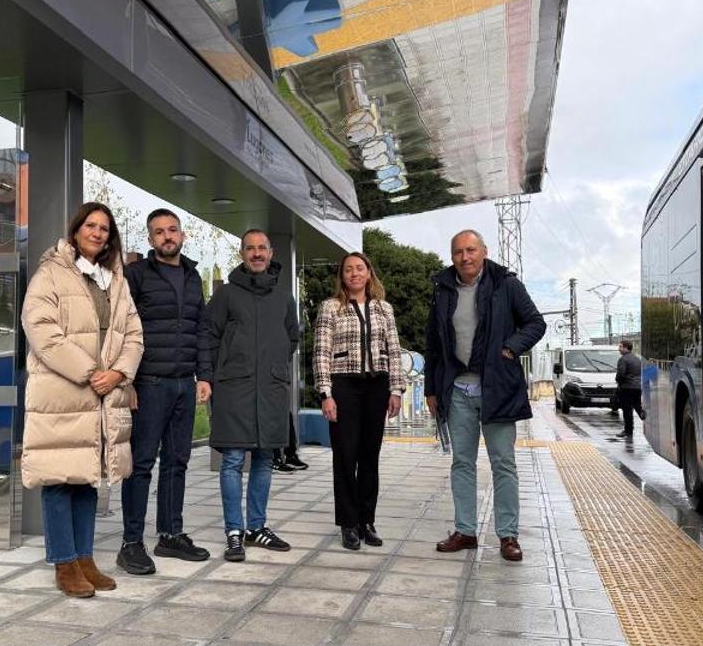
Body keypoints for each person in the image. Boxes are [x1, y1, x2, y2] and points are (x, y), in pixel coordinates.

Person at [20, 202, 144, 597]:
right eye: (90, 226)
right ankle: (64, 562)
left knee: (88, 477)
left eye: (105, 229)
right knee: (59, 477)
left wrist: (119, 374)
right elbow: (41, 330)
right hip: (63, 390)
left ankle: (85, 558)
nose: (97, 233)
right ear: (75, 230)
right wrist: (92, 373)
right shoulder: (51, 273)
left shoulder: (116, 280)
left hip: (103, 393)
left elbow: (134, 335)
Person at [425, 230, 546, 561]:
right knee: (462, 462)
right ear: (452, 256)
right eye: (458, 252)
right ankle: (465, 531)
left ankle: (508, 535)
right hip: (457, 389)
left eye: (471, 250)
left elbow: (535, 323)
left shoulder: (505, 283)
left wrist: (510, 348)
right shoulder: (443, 288)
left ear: (483, 251)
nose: (465, 258)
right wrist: (431, 388)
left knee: (503, 463)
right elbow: (433, 343)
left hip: (497, 388)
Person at [116, 209, 212, 574]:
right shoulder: (136, 275)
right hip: (149, 383)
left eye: (172, 230)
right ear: (150, 238)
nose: (167, 236)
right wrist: (128, 380)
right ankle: (131, 542)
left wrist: (204, 375)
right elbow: (123, 330)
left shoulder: (192, 275)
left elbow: (199, 328)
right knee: (141, 464)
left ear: (182, 235)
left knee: (177, 462)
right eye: (159, 232)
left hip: (184, 384)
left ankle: (170, 534)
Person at [201, 229, 298, 562]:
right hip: (234, 388)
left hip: (270, 389)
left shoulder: (284, 298)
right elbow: (209, 336)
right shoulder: (226, 294)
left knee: (265, 459)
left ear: (270, 253)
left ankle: (256, 527)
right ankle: (234, 531)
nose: (257, 253)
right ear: (242, 254)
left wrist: (272, 368)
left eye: (262, 248)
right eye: (250, 248)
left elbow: (291, 339)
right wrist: (214, 374)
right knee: (231, 461)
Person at [313, 252, 405, 550]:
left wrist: (396, 389)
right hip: (344, 387)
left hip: (376, 387)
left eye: (359, 268)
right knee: (345, 455)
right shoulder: (330, 308)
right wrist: (326, 393)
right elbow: (321, 353)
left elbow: (394, 350)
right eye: (348, 270)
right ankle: (348, 523)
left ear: (369, 273)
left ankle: (367, 520)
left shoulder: (384, 308)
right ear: (342, 276)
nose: (354, 274)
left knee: (369, 456)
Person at [615, 339, 645, 436]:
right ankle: (648, 420)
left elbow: (621, 374)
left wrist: (618, 381)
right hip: (638, 387)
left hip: (627, 388)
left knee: (627, 410)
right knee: (637, 406)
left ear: (625, 347)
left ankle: (628, 431)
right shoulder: (637, 359)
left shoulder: (623, 359)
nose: (619, 349)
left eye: (620, 347)